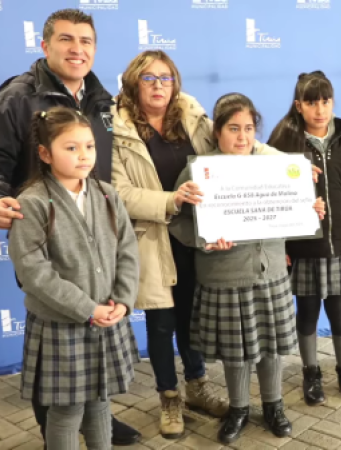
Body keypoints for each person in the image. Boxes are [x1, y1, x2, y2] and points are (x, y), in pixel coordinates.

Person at [0, 9, 141, 446]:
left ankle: (94, 419)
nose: (77, 49)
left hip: (96, 239)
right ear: (45, 46)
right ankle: (58, 428)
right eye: (66, 39)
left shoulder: (102, 98)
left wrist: (122, 294)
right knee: (61, 394)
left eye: (86, 41)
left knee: (93, 394)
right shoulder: (18, 97)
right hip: (47, 234)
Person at [169, 93, 326, 444]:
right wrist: (204, 240)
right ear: (218, 132)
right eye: (233, 128)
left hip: (270, 271)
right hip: (223, 274)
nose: (242, 136)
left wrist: (309, 209)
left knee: (270, 346)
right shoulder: (199, 170)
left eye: (249, 128)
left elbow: (290, 207)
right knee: (235, 350)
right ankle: (238, 408)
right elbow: (176, 219)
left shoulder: (273, 165)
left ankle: (274, 405)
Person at [111, 50, 228, 439]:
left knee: (192, 318)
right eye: (148, 78)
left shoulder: (193, 116)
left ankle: (198, 386)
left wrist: (289, 169)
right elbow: (119, 192)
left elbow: (233, 151)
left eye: (166, 77)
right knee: (161, 324)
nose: (158, 85)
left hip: (196, 237)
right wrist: (171, 200)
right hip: (152, 238)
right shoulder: (117, 129)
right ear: (133, 83)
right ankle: (169, 397)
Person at [268, 71, 341, 405]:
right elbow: (272, 199)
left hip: (340, 245)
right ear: (299, 106)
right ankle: (311, 373)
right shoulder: (282, 145)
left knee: (340, 312)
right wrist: (281, 245)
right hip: (303, 246)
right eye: (312, 103)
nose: (320, 109)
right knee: (308, 311)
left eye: (325, 101)